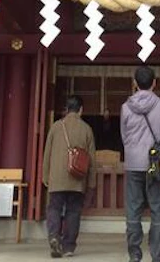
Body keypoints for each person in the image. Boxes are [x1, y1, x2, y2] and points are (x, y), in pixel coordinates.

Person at [120, 66, 160, 262]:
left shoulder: (125, 107)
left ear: (135, 83)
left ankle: (135, 254)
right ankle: (157, 255)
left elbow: (124, 136)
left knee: (133, 208)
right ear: (154, 83)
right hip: (155, 164)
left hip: (133, 163)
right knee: (158, 209)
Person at [42, 95, 96, 258]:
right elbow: (92, 159)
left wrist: (46, 176)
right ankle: (68, 247)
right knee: (73, 211)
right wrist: (91, 182)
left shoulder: (56, 127)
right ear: (80, 110)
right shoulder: (86, 129)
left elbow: (47, 154)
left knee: (54, 209)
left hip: (56, 178)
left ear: (66, 109)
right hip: (77, 178)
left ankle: (53, 237)